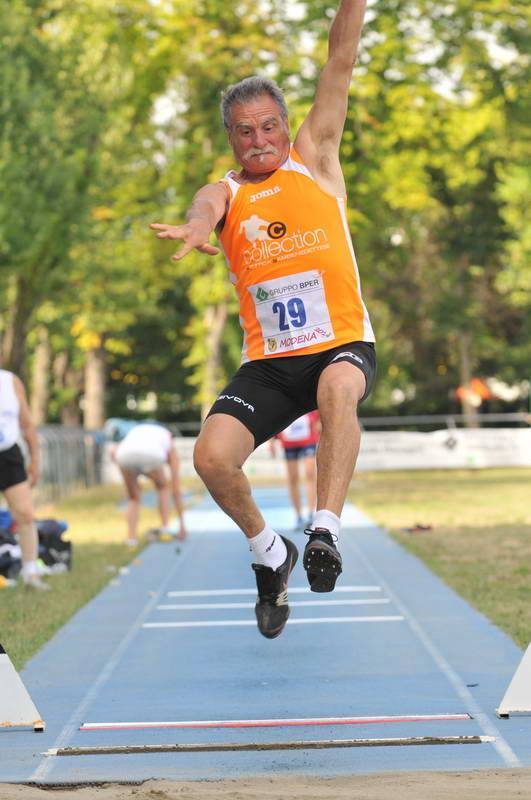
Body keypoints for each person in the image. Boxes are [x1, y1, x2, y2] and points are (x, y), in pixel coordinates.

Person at [150, 0, 376, 639]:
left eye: (269, 126)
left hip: (340, 345)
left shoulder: (314, 157)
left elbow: (340, 59)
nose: (260, 141)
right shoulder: (228, 192)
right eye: (245, 132)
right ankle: (269, 552)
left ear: (285, 124)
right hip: (271, 365)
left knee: (338, 388)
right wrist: (198, 226)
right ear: (231, 137)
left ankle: (324, 531)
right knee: (211, 458)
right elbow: (205, 201)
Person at [0, 369, 48, 590]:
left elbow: (27, 424)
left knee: (25, 513)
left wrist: (35, 460)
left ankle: (31, 573)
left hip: (8, 453)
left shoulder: (10, 381)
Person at [113, 423, 187, 545]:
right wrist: (182, 525)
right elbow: (176, 488)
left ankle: (131, 539)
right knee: (163, 487)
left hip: (123, 454)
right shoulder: (168, 440)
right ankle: (165, 528)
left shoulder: (138, 430)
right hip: (151, 454)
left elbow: (114, 451)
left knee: (133, 497)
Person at [271, 412, 320, 529]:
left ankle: (311, 513)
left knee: (310, 473)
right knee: (293, 478)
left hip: (308, 440)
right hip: (289, 442)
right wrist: (271, 441)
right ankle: (298, 516)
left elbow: (320, 413)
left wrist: (318, 423)